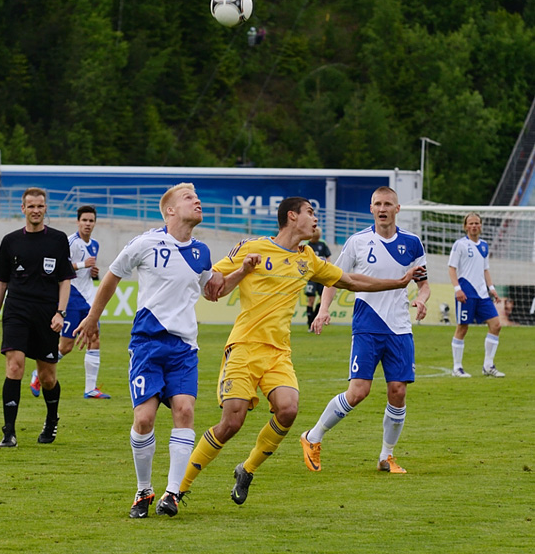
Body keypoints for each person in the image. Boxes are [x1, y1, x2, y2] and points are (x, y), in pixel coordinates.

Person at [179, 195, 425, 506]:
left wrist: (397, 283)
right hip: (243, 347)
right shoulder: (252, 247)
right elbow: (213, 289)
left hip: (278, 353)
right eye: (310, 212)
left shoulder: (308, 258)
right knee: (232, 423)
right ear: (292, 217)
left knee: (289, 409)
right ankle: (178, 489)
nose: (315, 218)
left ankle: (247, 469)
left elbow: (350, 280)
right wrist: (242, 269)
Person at [73, 183, 257, 519]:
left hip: (184, 348)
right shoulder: (145, 242)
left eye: (198, 197)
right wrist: (92, 318)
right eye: (189, 198)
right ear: (170, 210)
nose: (197, 201)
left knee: (184, 411)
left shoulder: (201, 251)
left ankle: (172, 493)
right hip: (147, 344)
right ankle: (144, 490)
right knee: (143, 419)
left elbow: (212, 291)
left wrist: (243, 271)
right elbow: (112, 275)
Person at [300, 186, 430, 475]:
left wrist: (421, 300)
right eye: (377, 204)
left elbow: (423, 284)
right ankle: (312, 437)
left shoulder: (412, 243)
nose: (382, 208)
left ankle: (387, 456)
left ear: (397, 209)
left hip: (400, 328)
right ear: (371, 209)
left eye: (388, 204)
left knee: (398, 392)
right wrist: (323, 310)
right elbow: (332, 279)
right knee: (358, 392)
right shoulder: (357, 242)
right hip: (367, 325)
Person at [0, 187, 75, 448]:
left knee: (47, 377)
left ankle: (51, 420)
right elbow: (1, 282)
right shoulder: (11, 241)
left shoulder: (58, 240)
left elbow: (65, 280)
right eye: (31, 206)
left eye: (40, 206)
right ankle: (9, 432)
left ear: (45, 208)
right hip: (16, 311)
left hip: (47, 315)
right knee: (14, 366)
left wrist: (61, 313)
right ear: (23, 209)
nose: (36, 210)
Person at [29, 205, 110, 399]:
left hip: (89, 297)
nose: (88, 224)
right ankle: (38, 373)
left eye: (91, 221)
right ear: (78, 222)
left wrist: (93, 273)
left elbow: (85, 272)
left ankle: (90, 389)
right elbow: (59, 267)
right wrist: (83, 264)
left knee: (94, 337)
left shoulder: (95, 244)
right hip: (72, 296)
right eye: (84, 220)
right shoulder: (70, 242)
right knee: (66, 346)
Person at [449, 213, 504, 378]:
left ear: (481, 226)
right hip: (466, 293)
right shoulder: (460, 245)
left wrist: (491, 288)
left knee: (496, 325)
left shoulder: (484, 246)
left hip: (482, 294)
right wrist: (457, 289)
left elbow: (485, 269)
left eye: (477, 223)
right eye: (471, 223)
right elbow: (452, 268)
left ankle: (488, 365)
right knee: (462, 328)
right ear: (465, 226)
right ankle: (457, 367)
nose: (474, 226)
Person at [305, 226, 332, 329]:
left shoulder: (322, 243)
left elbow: (328, 257)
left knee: (322, 300)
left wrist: (329, 268)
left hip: (321, 276)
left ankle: (314, 319)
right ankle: (309, 323)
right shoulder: (306, 245)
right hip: (311, 277)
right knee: (311, 300)